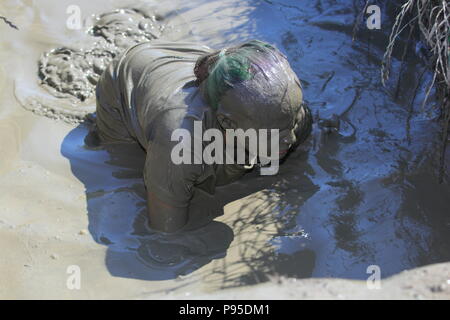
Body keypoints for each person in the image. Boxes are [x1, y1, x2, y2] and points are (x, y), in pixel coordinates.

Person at [94, 39, 313, 234]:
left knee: (246, 165)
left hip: (196, 65)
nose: (290, 138)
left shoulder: (285, 113)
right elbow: (165, 229)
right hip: (125, 86)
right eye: (273, 133)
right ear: (228, 123)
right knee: (125, 169)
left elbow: (292, 153)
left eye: (292, 121)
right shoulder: (180, 140)